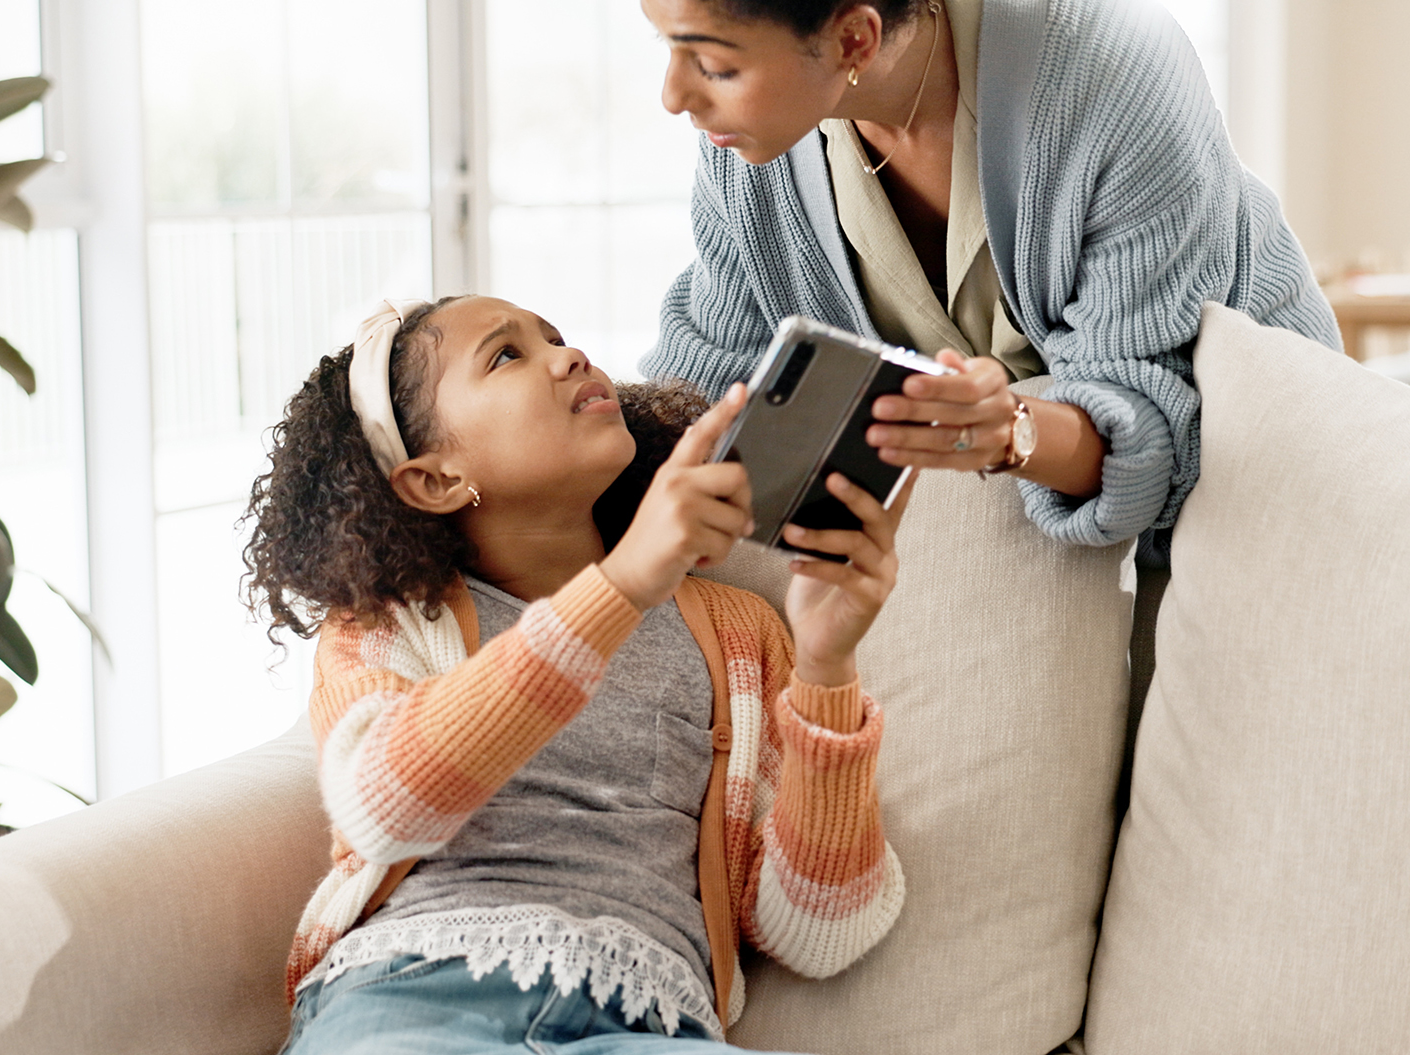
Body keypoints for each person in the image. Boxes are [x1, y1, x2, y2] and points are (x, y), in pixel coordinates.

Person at [243, 295, 910, 1053]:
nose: (569, 355)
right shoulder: (390, 618)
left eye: (556, 337)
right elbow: (384, 804)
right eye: (506, 354)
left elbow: (825, 932)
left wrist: (826, 665)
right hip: (415, 996)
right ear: (434, 480)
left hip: (648, 1022)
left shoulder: (738, 635)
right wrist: (621, 584)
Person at [640, 0, 1341, 556]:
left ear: (855, 38)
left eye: (712, 64)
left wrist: (1006, 431)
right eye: (667, 45)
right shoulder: (750, 148)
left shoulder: (1110, 64)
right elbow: (707, 383)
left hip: (1258, 480)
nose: (673, 96)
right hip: (1037, 525)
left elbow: (1152, 419)